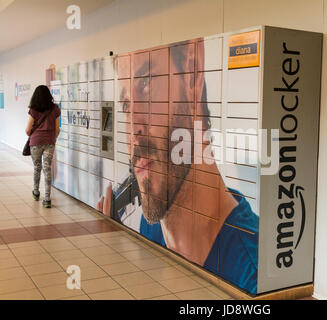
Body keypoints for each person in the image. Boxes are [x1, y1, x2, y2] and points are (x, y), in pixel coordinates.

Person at [97, 40, 259, 294]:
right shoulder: (150, 227)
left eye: (147, 82)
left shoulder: (253, 276)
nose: (133, 128)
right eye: (126, 105)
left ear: (192, 73)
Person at [25, 85, 61, 208]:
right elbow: (57, 129)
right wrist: (52, 138)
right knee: (47, 168)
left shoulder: (33, 110)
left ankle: (35, 192)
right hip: (49, 142)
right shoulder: (55, 109)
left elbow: (28, 130)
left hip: (35, 142)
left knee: (37, 168)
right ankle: (47, 198)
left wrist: (35, 133)